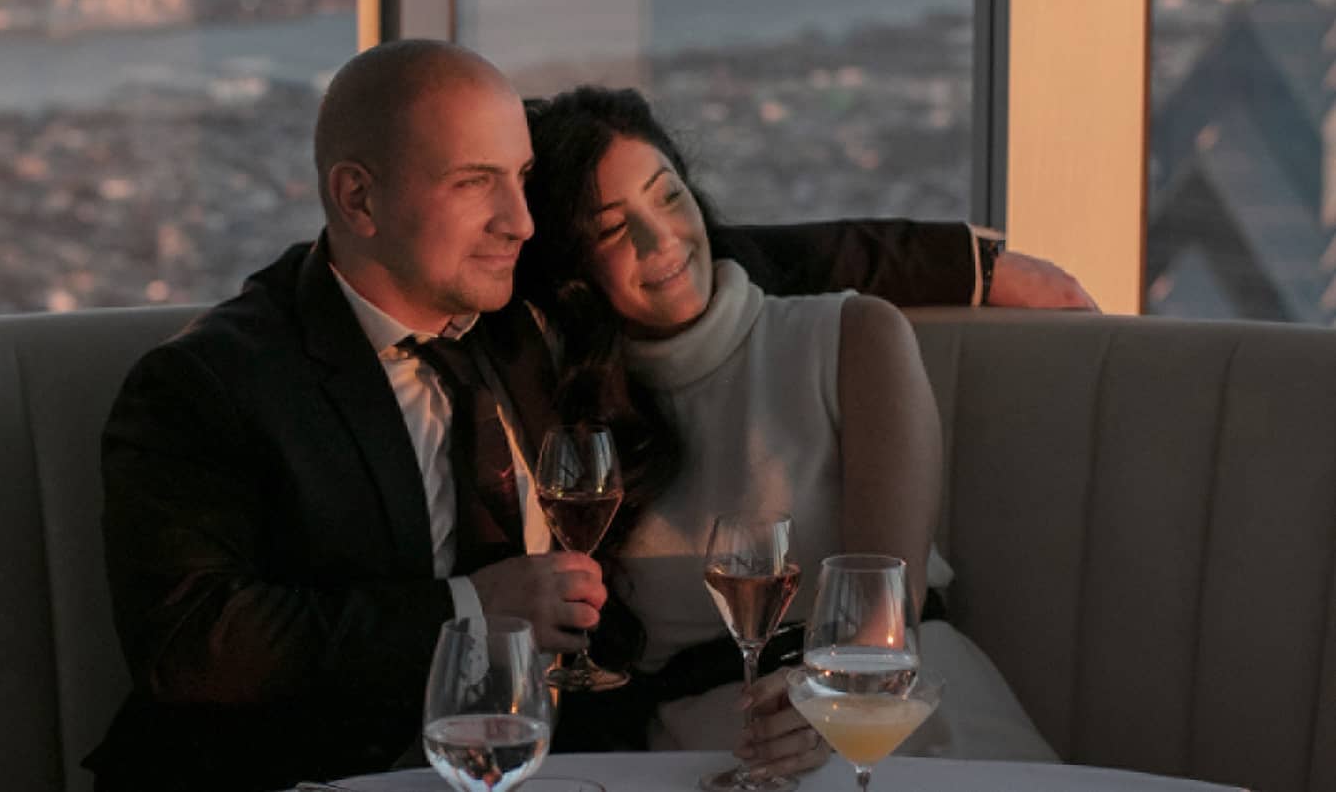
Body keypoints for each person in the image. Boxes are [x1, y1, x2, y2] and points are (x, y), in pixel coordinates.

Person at [86, 41, 1077, 791]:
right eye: (476, 185)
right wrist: (473, 612)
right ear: (358, 198)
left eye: (520, 183)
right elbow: (190, 640)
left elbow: (702, 255)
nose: (517, 220)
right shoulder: (212, 386)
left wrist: (972, 261)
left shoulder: (511, 306)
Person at [515, 85, 1058, 777]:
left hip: (887, 718)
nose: (662, 240)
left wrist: (830, 704)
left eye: (669, 196)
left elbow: (890, 598)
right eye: (614, 229)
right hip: (703, 753)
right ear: (575, 269)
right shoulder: (576, 411)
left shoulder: (852, 339)